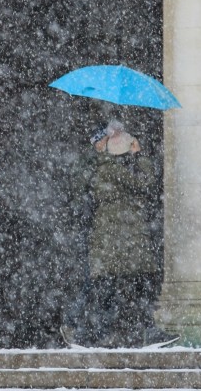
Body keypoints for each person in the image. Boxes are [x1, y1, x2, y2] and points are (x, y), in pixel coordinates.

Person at [63, 120, 177, 348]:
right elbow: (144, 183)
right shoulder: (108, 168)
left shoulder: (109, 167)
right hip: (118, 239)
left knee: (118, 288)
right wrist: (137, 155)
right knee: (116, 289)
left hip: (122, 239)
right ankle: (86, 333)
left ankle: (87, 333)